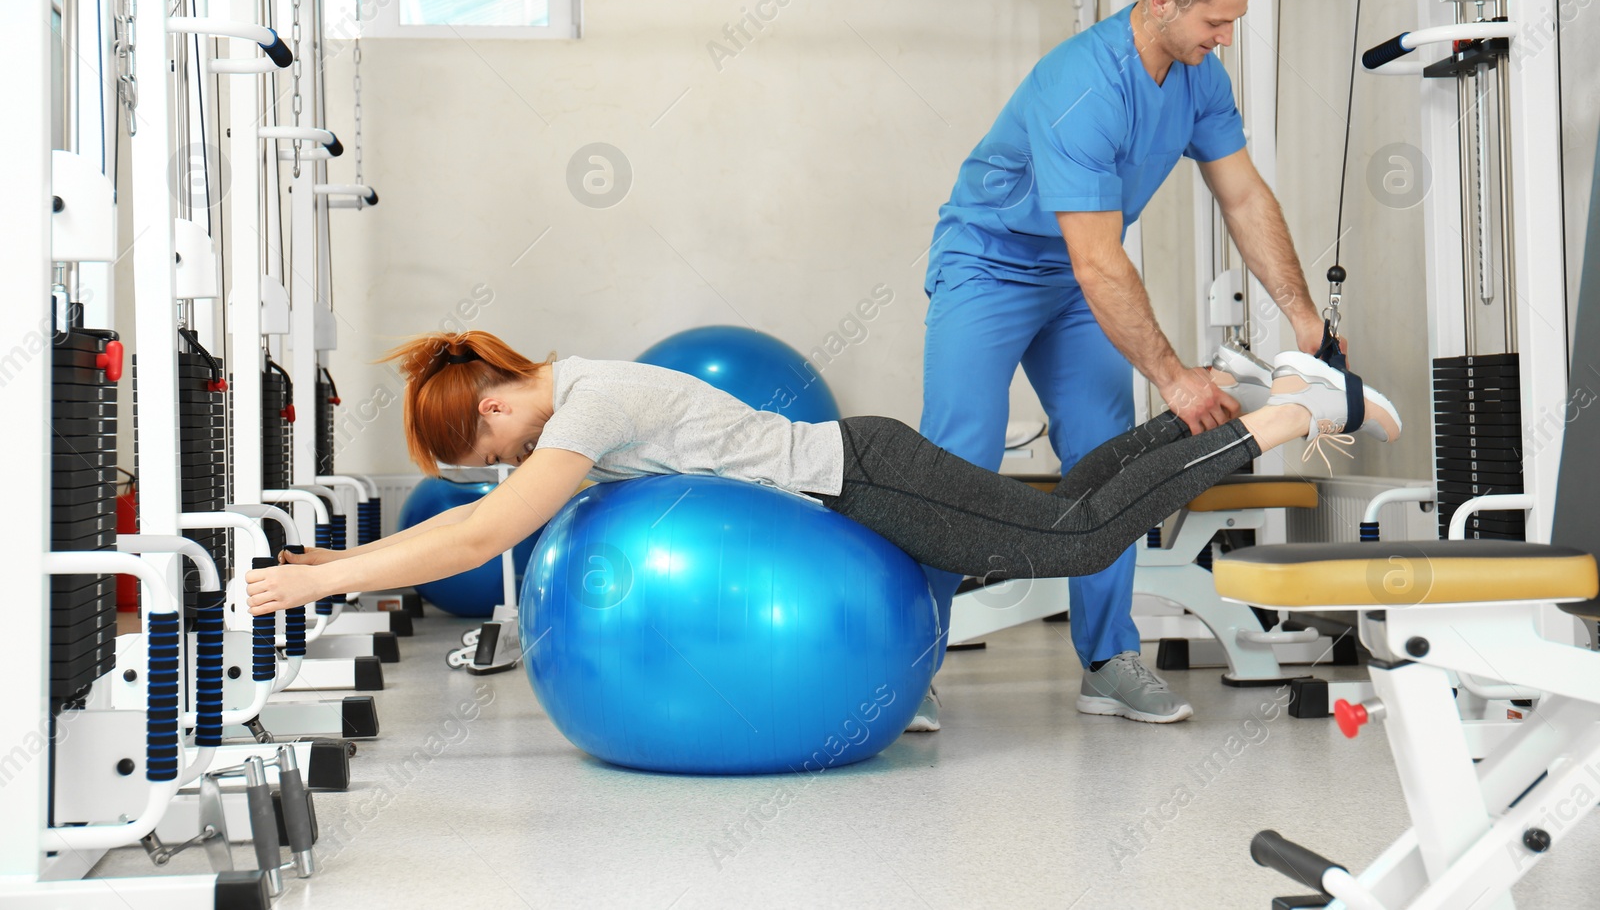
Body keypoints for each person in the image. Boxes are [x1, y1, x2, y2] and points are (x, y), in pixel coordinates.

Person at [246, 333, 1400, 644]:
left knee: (1076, 542)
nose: (503, 466)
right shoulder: (588, 391)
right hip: (862, 464)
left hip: (863, 475)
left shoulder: (585, 405)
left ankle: (1288, 414)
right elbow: (494, 513)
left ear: (494, 403)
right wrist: (323, 567)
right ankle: (1248, 396)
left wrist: (334, 579)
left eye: (489, 446)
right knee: (1067, 509)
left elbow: (487, 534)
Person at [917, 0, 1342, 728]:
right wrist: (1176, 377)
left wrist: (1300, 312)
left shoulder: (1198, 77)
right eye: (1215, 22)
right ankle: (907, 665)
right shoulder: (1081, 86)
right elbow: (1097, 260)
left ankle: (1109, 659)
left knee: (1108, 461)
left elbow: (1244, 196)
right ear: (1159, 2)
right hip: (991, 261)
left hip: (1080, 276)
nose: (1224, 39)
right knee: (955, 455)